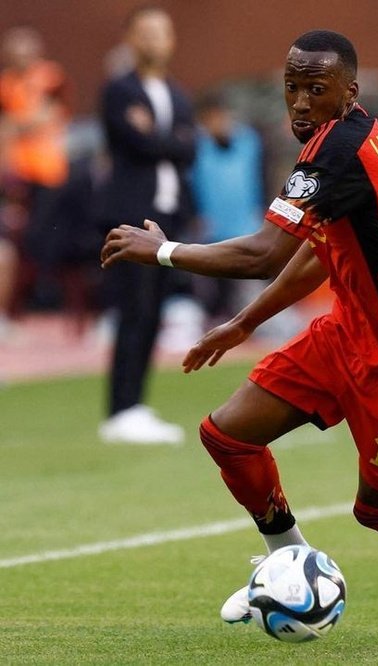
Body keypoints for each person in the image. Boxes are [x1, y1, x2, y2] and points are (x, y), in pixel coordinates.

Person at [100, 30, 378, 639]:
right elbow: (319, 253)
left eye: (316, 89)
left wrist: (165, 252)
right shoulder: (345, 138)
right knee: (229, 435)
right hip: (350, 333)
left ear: (350, 92)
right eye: (292, 87)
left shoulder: (337, 149)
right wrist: (244, 322)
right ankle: (287, 564)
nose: (299, 102)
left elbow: (266, 252)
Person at [95, 5, 196, 445]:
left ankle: (137, 403)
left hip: (167, 216)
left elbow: (189, 150)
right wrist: (167, 141)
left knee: (155, 311)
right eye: (147, 32)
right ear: (132, 39)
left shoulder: (177, 94)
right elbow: (138, 142)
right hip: (133, 214)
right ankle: (120, 409)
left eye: (163, 32)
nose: (156, 39)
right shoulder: (119, 90)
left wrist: (164, 140)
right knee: (133, 309)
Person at [0, 25, 70, 318]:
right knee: (17, 239)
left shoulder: (51, 76)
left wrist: (20, 125)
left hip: (49, 170)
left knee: (43, 237)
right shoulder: (5, 84)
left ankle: (43, 295)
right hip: (16, 171)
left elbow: (50, 115)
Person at [189, 91, 265, 324]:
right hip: (212, 226)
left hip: (244, 223)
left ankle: (247, 319)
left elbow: (262, 176)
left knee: (247, 278)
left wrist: (263, 207)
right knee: (213, 279)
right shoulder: (197, 148)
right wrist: (195, 215)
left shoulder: (248, 142)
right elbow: (189, 185)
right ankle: (215, 317)